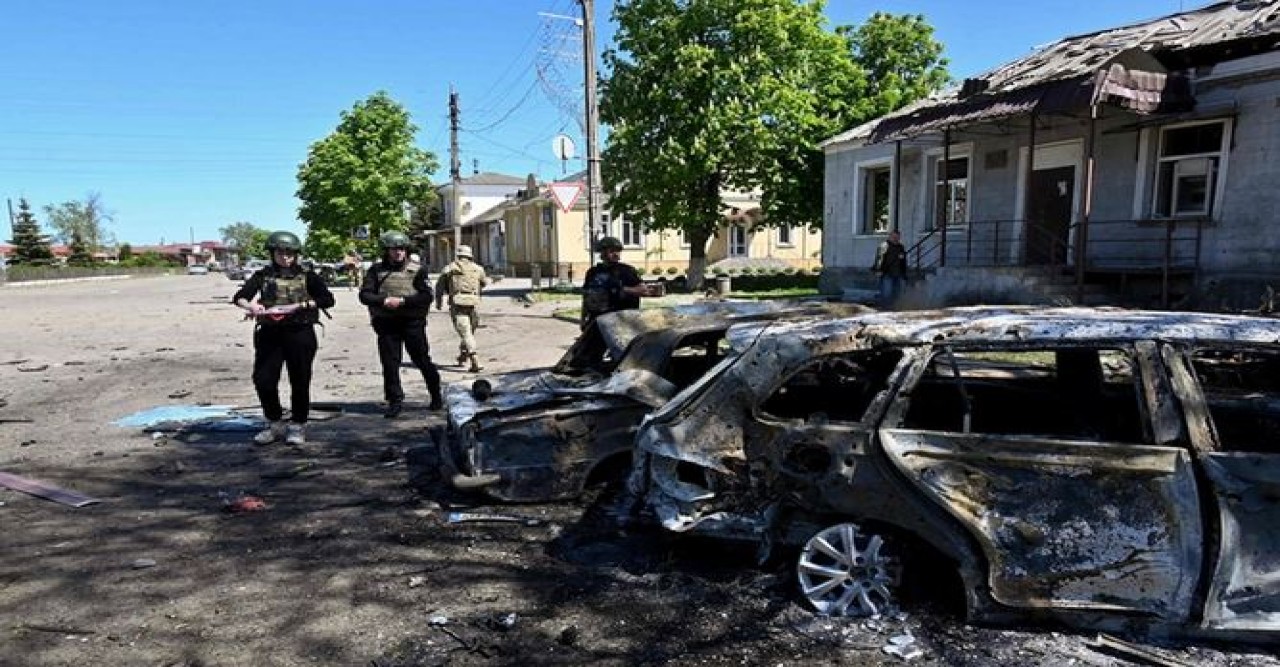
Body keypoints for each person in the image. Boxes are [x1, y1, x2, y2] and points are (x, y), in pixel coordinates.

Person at [231, 230, 336, 446]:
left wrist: (300, 306)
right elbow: (240, 297)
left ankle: (298, 424)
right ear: (273, 253)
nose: (285, 257)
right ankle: (274, 422)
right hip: (270, 333)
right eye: (280, 252)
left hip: (300, 332)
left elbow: (327, 299)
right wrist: (251, 306)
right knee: (264, 380)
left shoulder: (307, 275)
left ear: (296, 254)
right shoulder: (263, 275)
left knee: (300, 379)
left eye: (289, 253)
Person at [359, 230, 442, 418]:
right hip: (386, 323)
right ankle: (395, 401)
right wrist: (383, 300)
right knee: (390, 363)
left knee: (421, 359)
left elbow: (426, 295)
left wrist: (403, 301)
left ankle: (436, 395)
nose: (398, 253)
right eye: (394, 249)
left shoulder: (417, 269)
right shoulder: (376, 271)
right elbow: (365, 295)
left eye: (401, 249)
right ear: (387, 251)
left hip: (412, 322)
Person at [435, 244, 490, 373]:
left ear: (458, 255)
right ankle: (463, 355)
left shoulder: (450, 268)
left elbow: (439, 288)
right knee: (468, 332)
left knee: (466, 333)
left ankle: (474, 359)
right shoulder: (478, 269)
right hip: (474, 304)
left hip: (457, 304)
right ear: (470, 255)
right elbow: (484, 283)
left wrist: (438, 302)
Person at [580, 236, 647, 330]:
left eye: (618, 251)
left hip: (622, 321)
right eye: (611, 251)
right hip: (597, 320)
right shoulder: (593, 272)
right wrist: (583, 319)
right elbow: (586, 296)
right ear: (602, 253)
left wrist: (622, 289)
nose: (616, 254)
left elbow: (643, 290)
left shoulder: (627, 271)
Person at [873, 229, 908, 307]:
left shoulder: (900, 247)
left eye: (897, 237)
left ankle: (893, 307)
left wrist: (904, 273)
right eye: (894, 237)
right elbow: (879, 258)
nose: (896, 239)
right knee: (886, 293)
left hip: (898, 273)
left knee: (896, 293)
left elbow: (903, 260)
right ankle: (884, 308)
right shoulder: (884, 246)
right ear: (890, 236)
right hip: (887, 273)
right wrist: (878, 270)